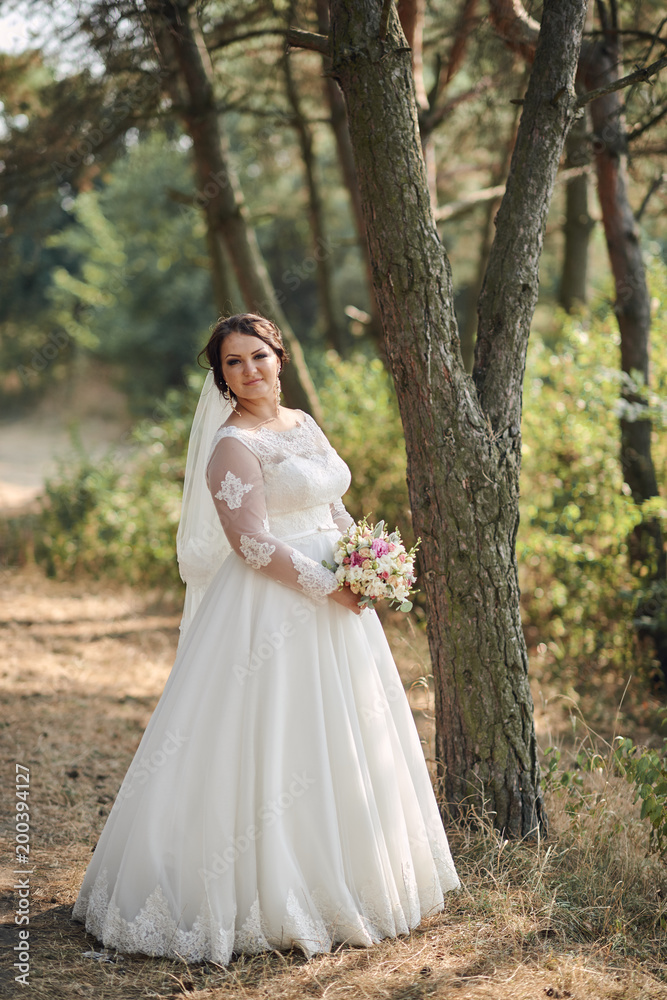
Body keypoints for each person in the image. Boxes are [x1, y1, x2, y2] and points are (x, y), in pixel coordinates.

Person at [72, 313, 459, 964]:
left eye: (258, 356)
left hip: (339, 594)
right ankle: (264, 890)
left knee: (342, 729)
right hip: (273, 607)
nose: (249, 370)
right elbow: (250, 543)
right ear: (220, 376)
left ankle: (353, 875)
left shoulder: (303, 423)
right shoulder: (232, 444)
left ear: (279, 357)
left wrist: (367, 559)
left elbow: (332, 505)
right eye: (233, 363)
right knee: (275, 732)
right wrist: (330, 587)